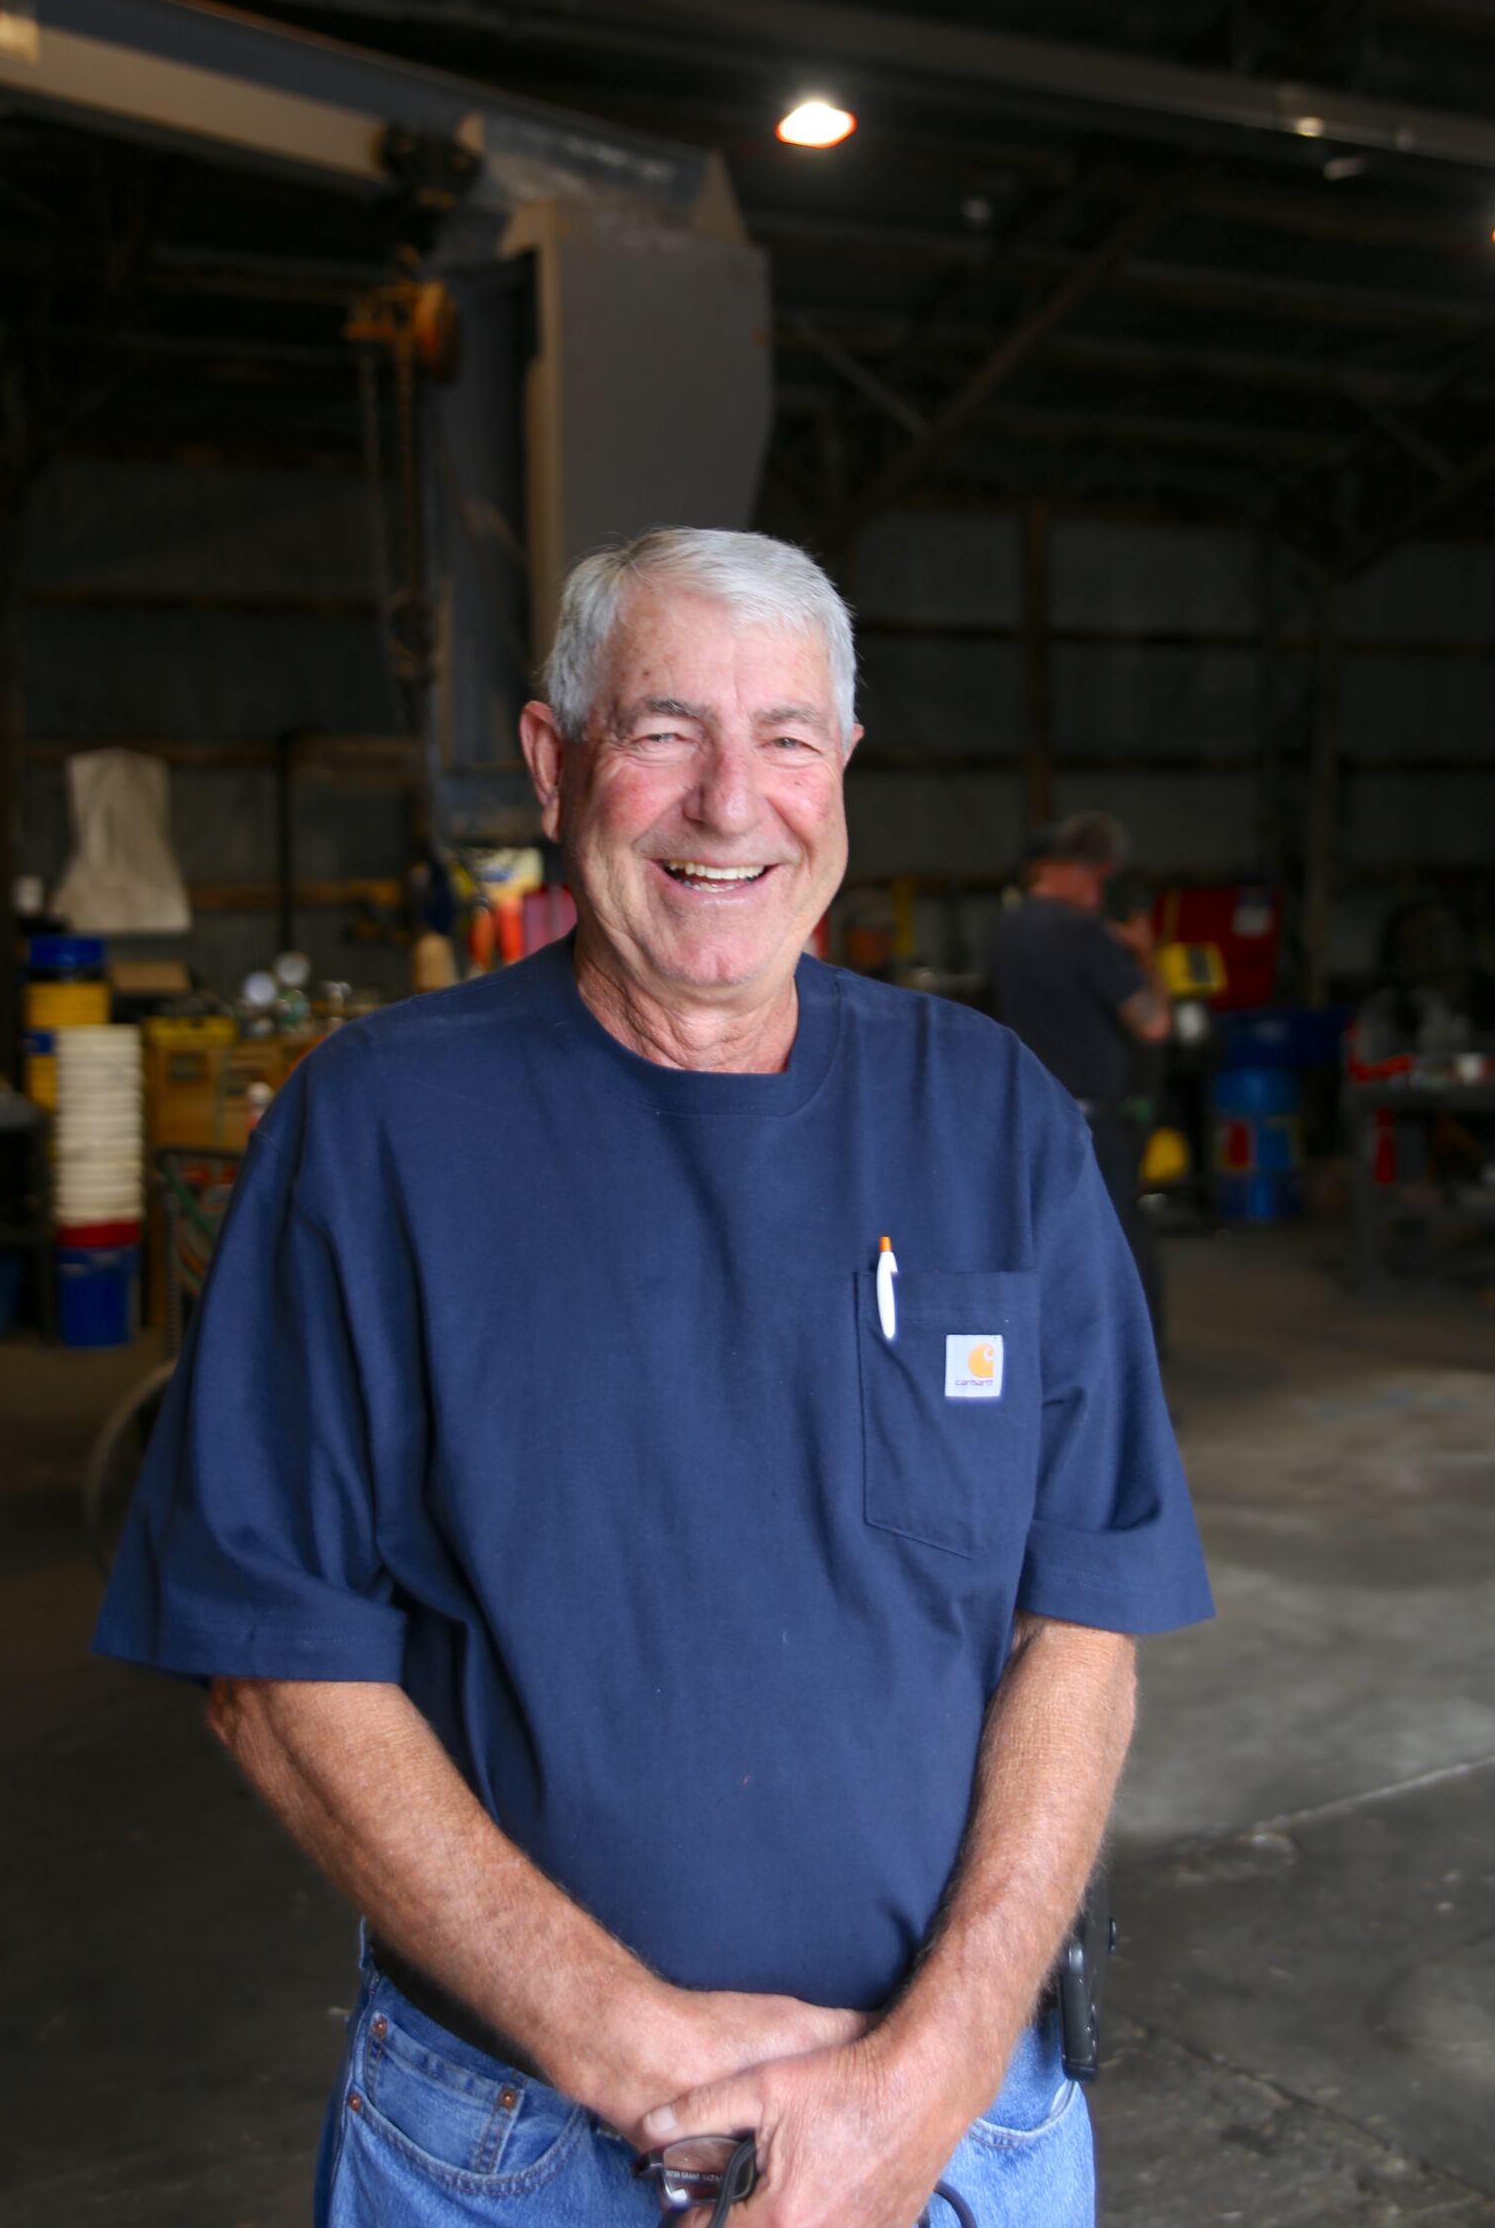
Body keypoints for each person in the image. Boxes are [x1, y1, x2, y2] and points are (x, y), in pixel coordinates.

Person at [95, 531, 1211, 2228]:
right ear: (553, 765)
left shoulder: (990, 1122)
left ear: (839, 771)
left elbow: (1086, 1617)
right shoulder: (380, 1130)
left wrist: (923, 2079)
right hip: (517, 2149)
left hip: (965, 2131)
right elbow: (270, 1663)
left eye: (783, 740)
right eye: (662, 732)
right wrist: (637, 2054)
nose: (726, 803)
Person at [988, 817, 1171, 1347]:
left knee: (1046, 1246)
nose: (1097, 887)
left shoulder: (1007, 931)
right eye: (1092, 874)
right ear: (1061, 870)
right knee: (1118, 1245)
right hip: (1092, 1124)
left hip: (1027, 1119)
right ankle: (1136, 1368)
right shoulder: (1084, 934)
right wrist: (1143, 953)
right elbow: (1154, 1023)